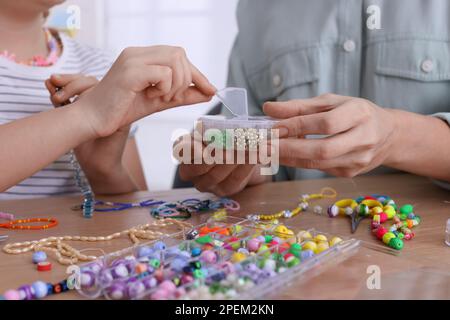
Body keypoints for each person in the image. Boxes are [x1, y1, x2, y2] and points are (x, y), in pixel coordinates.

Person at [179, 0, 450, 195]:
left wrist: (396, 137)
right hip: (301, 243)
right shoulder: (256, 8)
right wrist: (240, 167)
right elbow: (264, 164)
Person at [0, 0, 216, 199]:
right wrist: (85, 115)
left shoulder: (102, 67)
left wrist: (105, 170)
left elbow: (136, 221)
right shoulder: (103, 88)